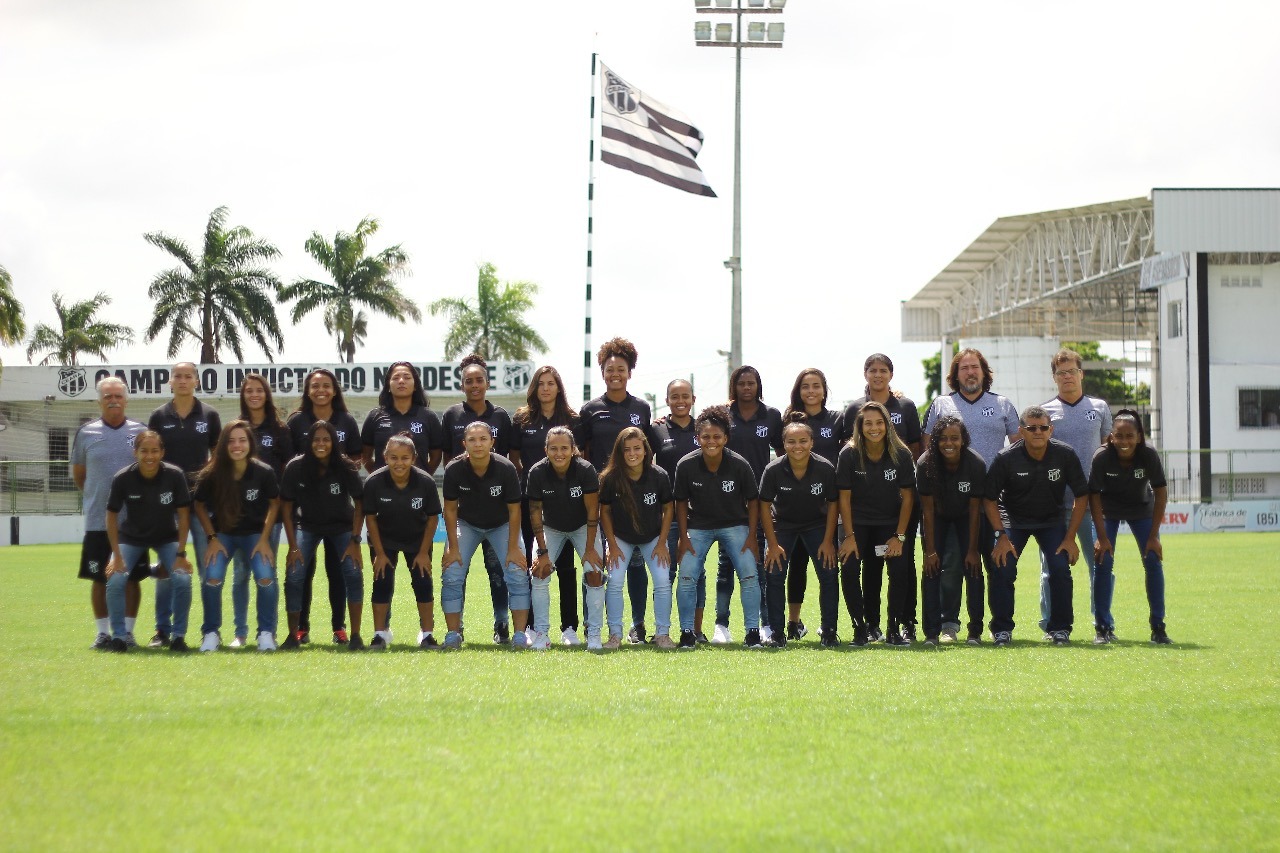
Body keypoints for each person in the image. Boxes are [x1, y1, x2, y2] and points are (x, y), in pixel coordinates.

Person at [922, 348, 1020, 632]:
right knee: (952, 564)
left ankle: (1000, 627)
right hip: (950, 500)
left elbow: (1017, 448)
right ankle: (949, 624)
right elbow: (927, 447)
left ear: (984, 371)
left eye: (974, 367)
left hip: (992, 499)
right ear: (955, 375)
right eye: (964, 368)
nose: (970, 372)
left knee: (997, 565)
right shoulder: (941, 404)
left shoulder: (1002, 404)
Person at [984, 406, 1089, 646]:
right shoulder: (1006, 457)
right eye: (1031, 428)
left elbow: (1082, 495)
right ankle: (1001, 629)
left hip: (1051, 521)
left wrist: (1070, 537)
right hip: (1013, 520)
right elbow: (988, 498)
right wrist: (1001, 535)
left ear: (1051, 429)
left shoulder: (1065, 454)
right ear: (1021, 431)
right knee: (1002, 565)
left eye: (1043, 427)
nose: (1038, 432)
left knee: (1060, 568)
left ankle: (1060, 628)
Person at [575, 337, 656, 645]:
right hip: (599, 496)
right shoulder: (591, 409)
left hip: (634, 497)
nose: (615, 375)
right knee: (594, 558)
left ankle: (637, 625)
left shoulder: (641, 408)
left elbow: (647, 450)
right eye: (610, 370)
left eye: (621, 369)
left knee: (634, 561)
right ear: (603, 373)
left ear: (629, 372)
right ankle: (591, 623)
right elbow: (581, 452)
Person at [840, 354, 924, 641]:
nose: (874, 428)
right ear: (859, 426)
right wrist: (849, 535)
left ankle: (894, 628)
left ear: (887, 424)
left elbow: (908, 496)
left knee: (899, 568)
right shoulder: (849, 453)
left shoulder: (900, 452)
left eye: (879, 423)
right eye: (868, 424)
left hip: (891, 523)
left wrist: (898, 537)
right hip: (859, 523)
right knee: (852, 568)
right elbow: (844, 496)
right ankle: (862, 627)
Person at [673, 405, 763, 649]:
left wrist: (752, 535)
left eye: (716, 437)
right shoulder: (686, 465)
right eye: (705, 437)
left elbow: (753, 501)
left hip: (735, 524)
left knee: (749, 574)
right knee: (688, 576)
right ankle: (687, 632)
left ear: (726, 438)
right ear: (697, 438)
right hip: (699, 526)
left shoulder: (740, 464)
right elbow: (680, 502)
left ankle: (752, 632)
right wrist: (683, 536)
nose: (711, 441)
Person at [71, 377, 152, 649]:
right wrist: (101, 500)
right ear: (99, 401)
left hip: (134, 523)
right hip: (98, 521)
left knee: (132, 577)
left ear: (126, 400)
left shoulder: (140, 431)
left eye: (118, 395)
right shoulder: (86, 433)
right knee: (98, 578)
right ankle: (103, 633)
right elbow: (81, 475)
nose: (113, 400)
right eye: (108, 396)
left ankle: (128, 633)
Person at [440, 354, 514, 645]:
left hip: (497, 512)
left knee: (498, 572)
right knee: (459, 570)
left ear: (487, 383)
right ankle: (456, 629)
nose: (474, 385)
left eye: (479, 380)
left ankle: (502, 624)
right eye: (468, 381)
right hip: (466, 512)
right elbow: (448, 458)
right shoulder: (452, 416)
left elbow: (507, 457)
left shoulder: (500, 416)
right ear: (462, 385)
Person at [1039, 348, 1112, 638]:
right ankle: (1051, 625)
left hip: (1094, 503)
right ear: (1054, 377)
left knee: (1101, 564)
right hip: (1058, 504)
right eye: (1061, 373)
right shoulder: (1045, 412)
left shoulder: (1100, 407)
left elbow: (1109, 447)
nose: (1067, 377)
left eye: (1072, 371)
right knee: (1052, 568)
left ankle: (1103, 625)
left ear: (1081, 374)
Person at [286, 368, 363, 644]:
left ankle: (339, 627)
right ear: (308, 390)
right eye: (315, 385)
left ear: (334, 390)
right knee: (301, 572)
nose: (321, 390)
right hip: (306, 511)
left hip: (339, 514)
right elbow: (289, 457)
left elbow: (355, 458)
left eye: (326, 385)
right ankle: (301, 628)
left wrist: (338, 473)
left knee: (338, 571)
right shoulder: (296, 421)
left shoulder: (346, 420)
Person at [148, 361, 221, 646]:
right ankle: (162, 631)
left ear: (196, 382)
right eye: (177, 376)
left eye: (187, 376)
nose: (182, 380)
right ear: (170, 382)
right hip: (168, 506)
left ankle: (211, 630)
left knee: (208, 570)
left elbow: (217, 457)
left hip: (202, 504)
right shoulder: (158, 415)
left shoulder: (210, 415)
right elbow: (152, 457)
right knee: (168, 569)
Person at [192, 420, 281, 652]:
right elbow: (199, 505)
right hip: (223, 535)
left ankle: (266, 633)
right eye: (231, 441)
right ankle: (211, 633)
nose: (237, 446)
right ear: (223, 445)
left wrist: (264, 539)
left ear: (250, 443)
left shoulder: (263, 471)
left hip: (254, 535)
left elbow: (274, 503)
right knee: (212, 576)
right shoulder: (212, 473)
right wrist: (211, 538)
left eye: (242, 440)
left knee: (265, 577)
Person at [439, 421, 529, 650]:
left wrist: (512, 547)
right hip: (466, 524)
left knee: (517, 571)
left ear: (492, 442)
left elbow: (514, 510)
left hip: (501, 524)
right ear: (464, 444)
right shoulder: (454, 469)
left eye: (483, 439)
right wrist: (452, 546)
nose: (477, 444)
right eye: (472, 440)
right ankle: (453, 634)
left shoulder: (506, 467)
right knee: (452, 572)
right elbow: (449, 509)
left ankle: (519, 635)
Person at [511, 365, 583, 645]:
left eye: (551, 383)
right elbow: (515, 457)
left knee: (565, 567)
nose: (545, 388)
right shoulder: (522, 419)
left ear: (558, 387)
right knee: (535, 563)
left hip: (566, 502)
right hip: (533, 501)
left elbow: (580, 457)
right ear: (534, 388)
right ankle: (531, 626)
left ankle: (569, 628)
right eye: (541, 383)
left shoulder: (573, 419)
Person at [104, 431, 194, 652]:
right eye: (144, 451)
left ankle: (178, 636)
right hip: (131, 538)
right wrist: (116, 556)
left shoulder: (174, 475)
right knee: (115, 580)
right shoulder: (123, 478)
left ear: (162, 452)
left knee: (182, 579)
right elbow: (111, 516)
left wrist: (181, 554)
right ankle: (119, 637)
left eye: (155, 451)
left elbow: (183, 515)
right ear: (135, 452)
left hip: (167, 538)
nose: (150, 456)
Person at [1089, 411, 1172, 644]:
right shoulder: (1102, 457)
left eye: (1129, 436)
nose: (1124, 441)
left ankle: (1158, 627)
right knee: (1103, 560)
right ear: (1111, 437)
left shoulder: (1148, 456)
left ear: (1138, 437)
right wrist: (1102, 537)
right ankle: (1102, 628)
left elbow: (1161, 493)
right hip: (1108, 510)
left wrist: (1154, 536)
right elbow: (1093, 497)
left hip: (1141, 508)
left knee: (1153, 561)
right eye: (1119, 436)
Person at [714, 365, 782, 644]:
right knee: (725, 563)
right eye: (741, 383)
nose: (746, 388)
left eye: (751, 383)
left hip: (760, 499)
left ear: (758, 386)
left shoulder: (772, 415)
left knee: (759, 561)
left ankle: (764, 624)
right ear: (734, 386)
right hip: (726, 499)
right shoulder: (722, 414)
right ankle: (722, 624)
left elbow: (782, 452)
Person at [759, 415, 838, 647]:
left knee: (829, 573)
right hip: (783, 525)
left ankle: (830, 632)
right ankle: (777, 633)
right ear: (784, 445)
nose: (797, 446)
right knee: (774, 575)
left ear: (812, 443)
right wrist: (772, 544)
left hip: (816, 525)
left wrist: (827, 541)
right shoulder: (773, 470)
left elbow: (834, 503)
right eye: (791, 442)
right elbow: (764, 506)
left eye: (803, 441)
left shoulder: (824, 468)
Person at [526, 427, 605, 649]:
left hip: (582, 527)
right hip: (551, 527)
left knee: (595, 574)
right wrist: (542, 553)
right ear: (546, 450)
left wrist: (590, 549)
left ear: (573, 450)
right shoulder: (537, 472)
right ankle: (541, 633)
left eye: (564, 448)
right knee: (539, 574)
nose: (559, 453)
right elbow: (535, 514)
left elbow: (592, 512)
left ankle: (595, 633)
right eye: (553, 448)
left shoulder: (585, 470)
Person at [363, 433, 442, 650]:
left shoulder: (425, 482)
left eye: (405, 458)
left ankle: (427, 635)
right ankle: (379, 635)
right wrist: (378, 553)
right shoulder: (374, 482)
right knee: (382, 583)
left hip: (417, 541)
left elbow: (433, 517)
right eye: (394, 457)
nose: (399, 463)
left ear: (414, 458)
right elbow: (370, 518)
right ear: (385, 457)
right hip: (384, 541)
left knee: (423, 584)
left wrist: (424, 552)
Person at [599, 426, 676, 649]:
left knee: (662, 580)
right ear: (619, 452)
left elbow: (668, 508)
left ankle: (662, 634)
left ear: (645, 450)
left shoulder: (658, 475)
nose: (632, 453)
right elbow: (604, 511)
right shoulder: (611, 478)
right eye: (627, 450)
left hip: (652, 537)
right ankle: (615, 635)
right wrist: (611, 545)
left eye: (637, 448)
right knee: (613, 581)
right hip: (621, 538)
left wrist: (662, 543)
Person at [780, 367, 842, 642]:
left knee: (828, 566)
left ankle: (829, 626)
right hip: (793, 506)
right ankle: (794, 622)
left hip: (826, 506)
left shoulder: (837, 419)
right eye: (806, 386)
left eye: (816, 386)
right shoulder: (789, 419)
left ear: (824, 390)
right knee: (796, 565)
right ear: (798, 390)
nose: (811, 391)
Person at [232, 372, 293, 648]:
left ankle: (267, 632)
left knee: (266, 573)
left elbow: (288, 469)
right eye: (249, 391)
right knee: (241, 573)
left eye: (259, 390)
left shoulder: (280, 430)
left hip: (269, 514)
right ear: (243, 396)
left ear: (266, 395)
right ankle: (240, 633)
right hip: (238, 515)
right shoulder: (236, 429)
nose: (254, 395)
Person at [916, 415, 986, 645]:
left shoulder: (975, 463)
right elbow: (927, 511)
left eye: (954, 438)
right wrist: (930, 550)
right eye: (943, 438)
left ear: (963, 440)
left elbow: (975, 509)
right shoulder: (926, 464)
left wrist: (973, 550)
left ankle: (974, 631)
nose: (949, 443)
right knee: (932, 569)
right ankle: (932, 632)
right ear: (935, 440)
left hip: (967, 517)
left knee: (973, 568)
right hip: (937, 518)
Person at [650, 379, 705, 641]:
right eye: (674, 396)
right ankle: (664, 630)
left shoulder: (704, 428)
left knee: (696, 572)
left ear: (694, 399)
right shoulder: (656, 430)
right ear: (667, 400)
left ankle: (695, 629)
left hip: (699, 514)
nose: (680, 401)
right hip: (667, 513)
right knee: (666, 572)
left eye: (685, 396)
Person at [361, 361, 444, 473]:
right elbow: (365, 456)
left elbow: (436, 456)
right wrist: (378, 477)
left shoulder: (428, 417)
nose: (401, 381)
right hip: (382, 488)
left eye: (407, 377)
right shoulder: (374, 416)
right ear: (388, 386)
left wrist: (423, 476)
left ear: (415, 386)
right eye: (395, 378)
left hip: (418, 488)